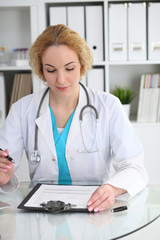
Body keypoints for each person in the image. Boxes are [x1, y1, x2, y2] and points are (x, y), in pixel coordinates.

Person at [0, 24, 148, 212]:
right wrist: (4, 177)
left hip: (94, 210)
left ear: (82, 64)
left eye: (69, 68)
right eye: (51, 70)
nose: (61, 79)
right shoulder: (22, 110)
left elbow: (135, 168)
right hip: (40, 214)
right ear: (41, 70)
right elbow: (5, 166)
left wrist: (111, 189)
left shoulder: (108, 106)